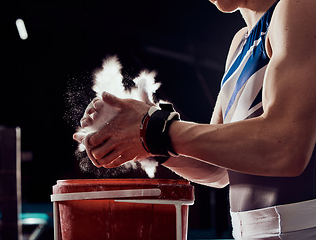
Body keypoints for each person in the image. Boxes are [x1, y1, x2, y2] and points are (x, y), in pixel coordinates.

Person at [74, 0, 316, 239]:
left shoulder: (300, 6)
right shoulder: (240, 43)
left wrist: (154, 127)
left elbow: (285, 146)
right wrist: (147, 142)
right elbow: (218, 170)